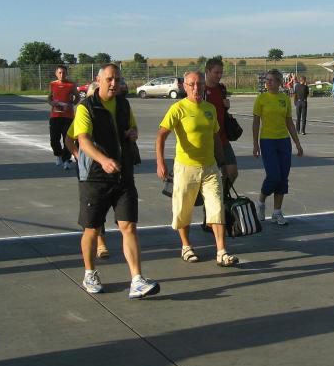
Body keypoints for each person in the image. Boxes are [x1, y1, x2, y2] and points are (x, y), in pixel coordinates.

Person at [73, 63, 159, 298]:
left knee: (129, 226)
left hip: (123, 174)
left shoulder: (123, 104)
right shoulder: (86, 107)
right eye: (110, 79)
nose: (114, 84)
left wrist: (132, 134)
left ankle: (137, 280)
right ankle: (90, 273)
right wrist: (103, 160)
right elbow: (83, 140)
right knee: (92, 229)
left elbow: (133, 128)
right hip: (95, 177)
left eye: (117, 79)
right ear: (99, 80)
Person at [156, 71, 238, 267]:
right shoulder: (178, 108)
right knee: (183, 209)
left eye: (200, 84)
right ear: (184, 86)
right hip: (186, 167)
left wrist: (222, 163)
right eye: (192, 84)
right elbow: (161, 135)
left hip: (210, 168)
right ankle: (186, 247)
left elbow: (216, 137)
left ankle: (222, 251)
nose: (196, 88)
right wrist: (160, 162)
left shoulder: (210, 109)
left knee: (217, 207)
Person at [65, 82, 110, 259]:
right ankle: (100, 242)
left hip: (108, 166)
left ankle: (98, 239)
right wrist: (79, 157)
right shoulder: (83, 113)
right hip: (89, 170)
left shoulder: (110, 112)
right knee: (93, 207)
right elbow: (69, 139)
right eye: (92, 96)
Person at [253, 69, 304, 225]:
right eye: (267, 80)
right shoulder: (261, 99)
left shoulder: (284, 99)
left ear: (279, 82)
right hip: (267, 141)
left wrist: (297, 143)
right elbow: (256, 122)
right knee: (273, 176)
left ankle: (277, 212)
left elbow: (289, 122)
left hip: (283, 141)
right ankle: (261, 202)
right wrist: (255, 144)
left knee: (283, 177)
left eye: (271, 80)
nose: (268, 82)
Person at [204, 58, 239, 192]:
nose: (219, 76)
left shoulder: (222, 88)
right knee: (208, 176)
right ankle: (210, 201)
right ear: (207, 71)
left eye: (221, 73)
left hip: (222, 138)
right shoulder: (201, 90)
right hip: (207, 140)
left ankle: (221, 197)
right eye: (216, 72)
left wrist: (227, 107)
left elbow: (222, 110)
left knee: (232, 172)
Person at [47, 65, 79, 170]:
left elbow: (77, 97)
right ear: (56, 74)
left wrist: (71, 104)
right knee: (54, 139)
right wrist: (52, 103)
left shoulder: (71, 84)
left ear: (66, 73)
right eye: (60, 72)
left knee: (67, 139)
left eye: (64, 73)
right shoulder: (52, 84)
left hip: (68, 116)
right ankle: (58, 155)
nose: (62, 75)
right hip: (55, 116)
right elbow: (49, 98)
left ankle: (66, 160)